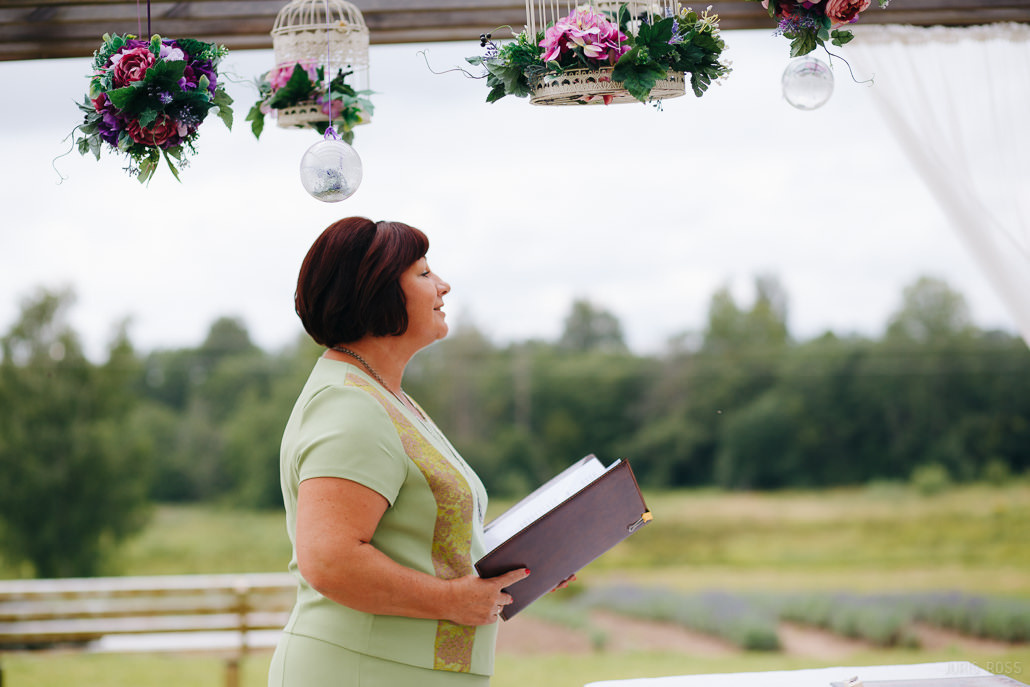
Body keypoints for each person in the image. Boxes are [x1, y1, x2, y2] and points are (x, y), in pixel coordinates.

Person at [268, 217, 530, 687]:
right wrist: (454, 602)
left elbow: (422, 540)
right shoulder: (349, 404)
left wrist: (529, 564)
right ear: (376, 291)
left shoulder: (384, 397)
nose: (444, 286)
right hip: (360, 671)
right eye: (425, 274)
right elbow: (331, 560)